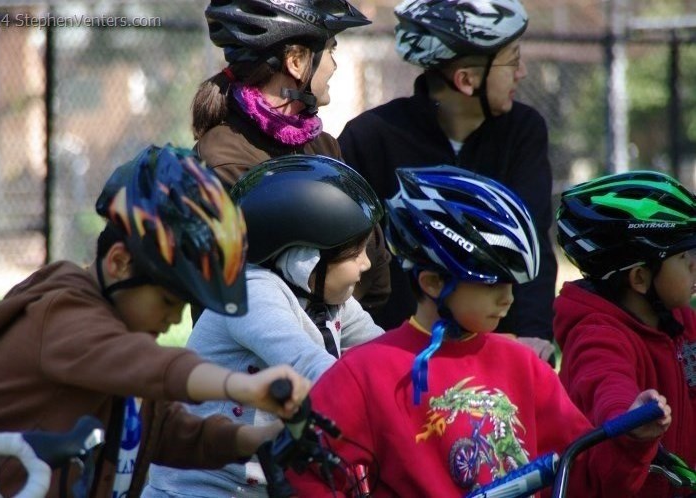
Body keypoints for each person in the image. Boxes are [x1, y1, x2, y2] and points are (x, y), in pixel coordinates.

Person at [0, 144, 311, 498]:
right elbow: (143, 363)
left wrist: (255, 440)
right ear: (119, 263)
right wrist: (241, 386)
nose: (173, 320)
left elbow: (157, 429)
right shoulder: (62, 312)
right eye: (168, 300)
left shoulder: (118, 347)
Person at [286, 165, 671, 497]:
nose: (509, 300)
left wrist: (632, 442)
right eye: (492, 284)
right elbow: (310, 478)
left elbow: (587, 479)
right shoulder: (365, 374)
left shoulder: (525, 368)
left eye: (513, 285)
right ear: (433, 282)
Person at [143, 155, 385, 498]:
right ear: (304, 260)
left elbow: (386, 353)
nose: (367, 263)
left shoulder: (325, 300)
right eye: (355, 253)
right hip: (200, 492)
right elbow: (309, 367)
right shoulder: (250, 292)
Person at [337, 0, 557, 359]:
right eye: (513, 60)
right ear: (466, 80)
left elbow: (533, 236)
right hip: (397, 354)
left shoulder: (523, 130)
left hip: (498, 350)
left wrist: (534, 333)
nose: (522, 73)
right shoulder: (370, 138)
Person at [190, 0, 391, 315]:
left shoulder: (324, 147)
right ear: (297, 62)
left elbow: (375, 275)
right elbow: (265, 295)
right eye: (331, 50)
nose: (334, 66)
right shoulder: (221, 160)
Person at [554, 170, 696, 497]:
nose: (694, 264)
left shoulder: (681, 320)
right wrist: (630, 423)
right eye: (683, 256)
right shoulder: (596, 336)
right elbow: (606, 382)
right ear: (639, 279)